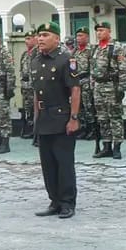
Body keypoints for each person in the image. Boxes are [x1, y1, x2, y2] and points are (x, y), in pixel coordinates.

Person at [31, 22, 80, 219]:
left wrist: (74, 118)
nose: (40, 39)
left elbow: (75, 90)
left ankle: (67, 202)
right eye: (38, 35)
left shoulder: (66, 60)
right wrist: (35, 119)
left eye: (45, 35)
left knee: (64, 163)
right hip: (44, 119)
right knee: (48, 163)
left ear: (56, 38)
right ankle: (55, 200)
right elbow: (36, 93)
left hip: (61, 118)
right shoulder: (35, 61)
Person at [90, 21, 126, 159]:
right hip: (98, 87)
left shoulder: (116, 48)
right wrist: (91, 86)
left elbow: (122, 69)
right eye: (97, 31)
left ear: (109, 31)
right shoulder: (95, 48)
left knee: (115, 117)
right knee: (102, 118)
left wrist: (122, 88)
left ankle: (117, 146)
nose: (99, 33)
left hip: (111, 86)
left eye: (102, 30)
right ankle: (106, 146)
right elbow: (92, 70)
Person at [72, 26, 95, 141]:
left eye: (81, 36)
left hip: (86, 81)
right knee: (79, 107)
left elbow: (93, 68)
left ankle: (92, 129)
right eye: (77, 36)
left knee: (88, 106)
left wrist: (91, 84)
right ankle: (83, 128)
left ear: (87, 37)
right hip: (77, 82)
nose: (78, 38)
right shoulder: (75, 51)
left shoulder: (91, 51)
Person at [19, 30, 37, 139]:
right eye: (26, 39)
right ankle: (30, 129)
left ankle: (36, 132)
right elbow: (22, 71)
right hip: (26, 87)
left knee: (36, 111)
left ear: (35, 39)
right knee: (28, 109)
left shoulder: (38, 53)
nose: (27, 41)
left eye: (29, 38)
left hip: (34, 87)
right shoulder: (25, 54)